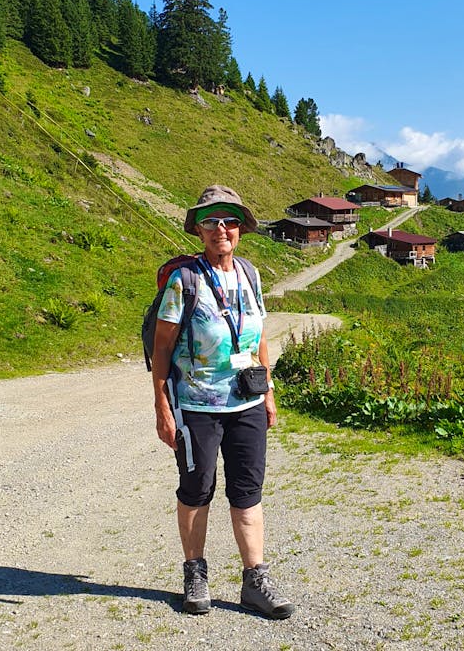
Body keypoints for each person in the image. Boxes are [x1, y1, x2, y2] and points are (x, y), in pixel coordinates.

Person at [151, 184, 295, 620]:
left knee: (248, 492)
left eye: (229, 221)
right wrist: (161, 406)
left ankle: (255, 581)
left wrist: (267, 391)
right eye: (211, 220)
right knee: (197, 490)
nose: (221, 229)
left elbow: (259, 339)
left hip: (247, 405)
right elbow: (161, 351)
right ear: (198, 229)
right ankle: (195, 574)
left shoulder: (250, 275)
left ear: (240, 229)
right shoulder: (185, 281)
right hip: (196, 406)